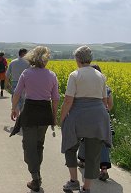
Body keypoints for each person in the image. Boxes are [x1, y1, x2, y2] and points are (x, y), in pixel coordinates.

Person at [60, 46, 112, 193]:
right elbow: (104, 101)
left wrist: (62, 119)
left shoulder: (75, 75)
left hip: (78, 116)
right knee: (93, 154)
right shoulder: (101, 76)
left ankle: (73, 181)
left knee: (70, 148)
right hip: (98, 116)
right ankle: (86, 188)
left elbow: (69, 101)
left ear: (78, 59)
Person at [11, 46, 59, 192]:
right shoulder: (52, 75)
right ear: (46, 59)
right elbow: (55, 98)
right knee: (39, 145)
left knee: (28, 146)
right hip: (45, 113)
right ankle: (36, 174)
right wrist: (54, 116)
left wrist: (14, 108)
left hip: (30, 112)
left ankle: (35, 177)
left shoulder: (27, 73)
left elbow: (17, 93)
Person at [77, 64, 114, 182]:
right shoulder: (106, 87)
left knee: (85, 139)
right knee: (103, 142)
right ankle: (104, 170)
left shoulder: (85, 87)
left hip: (88, 118)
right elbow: (110, 105)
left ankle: (82, 161)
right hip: (103, 118)